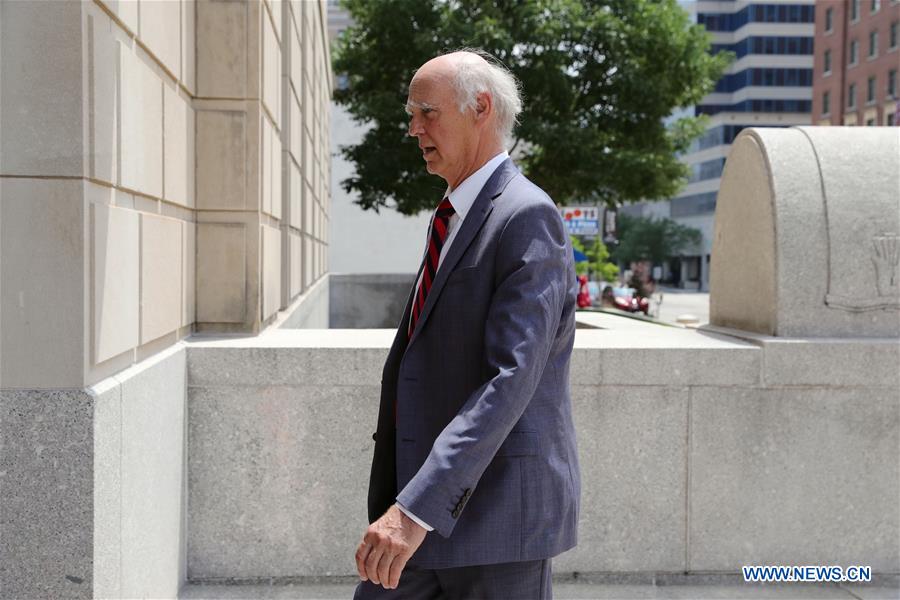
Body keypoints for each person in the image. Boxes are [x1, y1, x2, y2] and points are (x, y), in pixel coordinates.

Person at [354, 49, 581, 599]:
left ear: (480, 108)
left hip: (496, 529)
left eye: (427, 112)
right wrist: (410, 503)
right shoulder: (454, 215)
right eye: (412, 114)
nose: (414, 129)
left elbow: (510, 380)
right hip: (422, 514)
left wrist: (416, 509)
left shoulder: (527, 215)